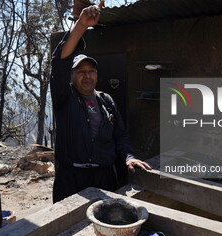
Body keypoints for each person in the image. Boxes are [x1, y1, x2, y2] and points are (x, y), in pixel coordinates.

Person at [50, 1, 151, 203]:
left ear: (97, 75)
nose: (87, 76)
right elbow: (60, 62)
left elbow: (120, 136)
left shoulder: (105, 100)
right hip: (71, 180)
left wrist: (129, 157)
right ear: (71, 76)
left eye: (91, 71)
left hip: (104, 178)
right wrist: (81, 26)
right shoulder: (64, 97)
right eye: (80, 72)